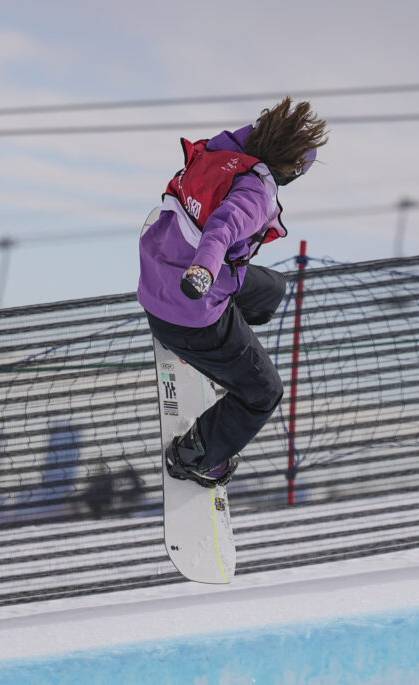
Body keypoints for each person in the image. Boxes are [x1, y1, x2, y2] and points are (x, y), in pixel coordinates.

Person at [138, 97, 328, 488]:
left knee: (273, 289)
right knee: (264, 393)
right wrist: (204, 270)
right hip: (189, 310)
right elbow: (221, 231)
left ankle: (222, 355)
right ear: (291, 167)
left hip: (159, 276)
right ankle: (193, 456)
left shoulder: (221, 154)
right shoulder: (255, 193)